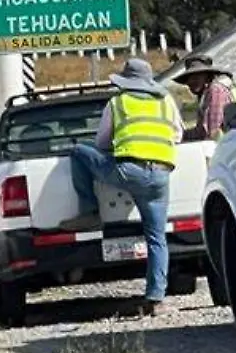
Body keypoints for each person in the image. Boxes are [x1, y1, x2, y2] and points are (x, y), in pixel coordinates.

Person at [59, 58, 183, 314]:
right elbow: (178, 135)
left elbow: (102, 143)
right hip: (160, 175)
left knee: (79, 151)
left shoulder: (118, 102)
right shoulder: (166, 101)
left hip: (127, 172)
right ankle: (156, 298)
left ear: (125, 81)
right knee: (157, 238)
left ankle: (91, 211)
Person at [176, 53, 236, 142]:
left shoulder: (216, 91)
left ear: (207, 76)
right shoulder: (205, 94)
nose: (190, 82)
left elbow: (212, 133)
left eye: (196, 77)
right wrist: (179, 134)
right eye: (188, 78)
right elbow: (201, 131)